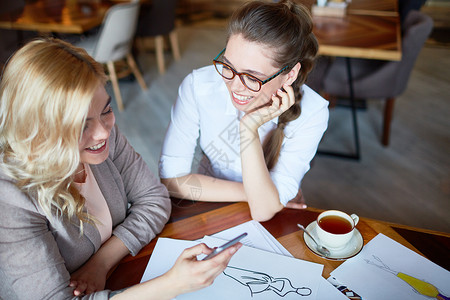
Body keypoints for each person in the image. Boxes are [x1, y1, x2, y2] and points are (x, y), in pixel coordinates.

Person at [0, 38, 241, 299]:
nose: (104, 132)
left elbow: (154, 199)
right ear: (38, 130)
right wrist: (172, 285)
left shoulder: (103, 138)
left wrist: (100, 263)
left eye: (106, 110)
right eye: (82, 126)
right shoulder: (10, 198)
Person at [159, 0, 329, 221]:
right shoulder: (198, 86)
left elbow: (263, 212)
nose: (235, 85)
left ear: (290, 75)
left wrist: (248, 128)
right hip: (207, 208)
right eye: (228, 66)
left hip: (256, 215)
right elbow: (171, 180)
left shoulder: (313, 112)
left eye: (252, 77)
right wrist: (256, 194)